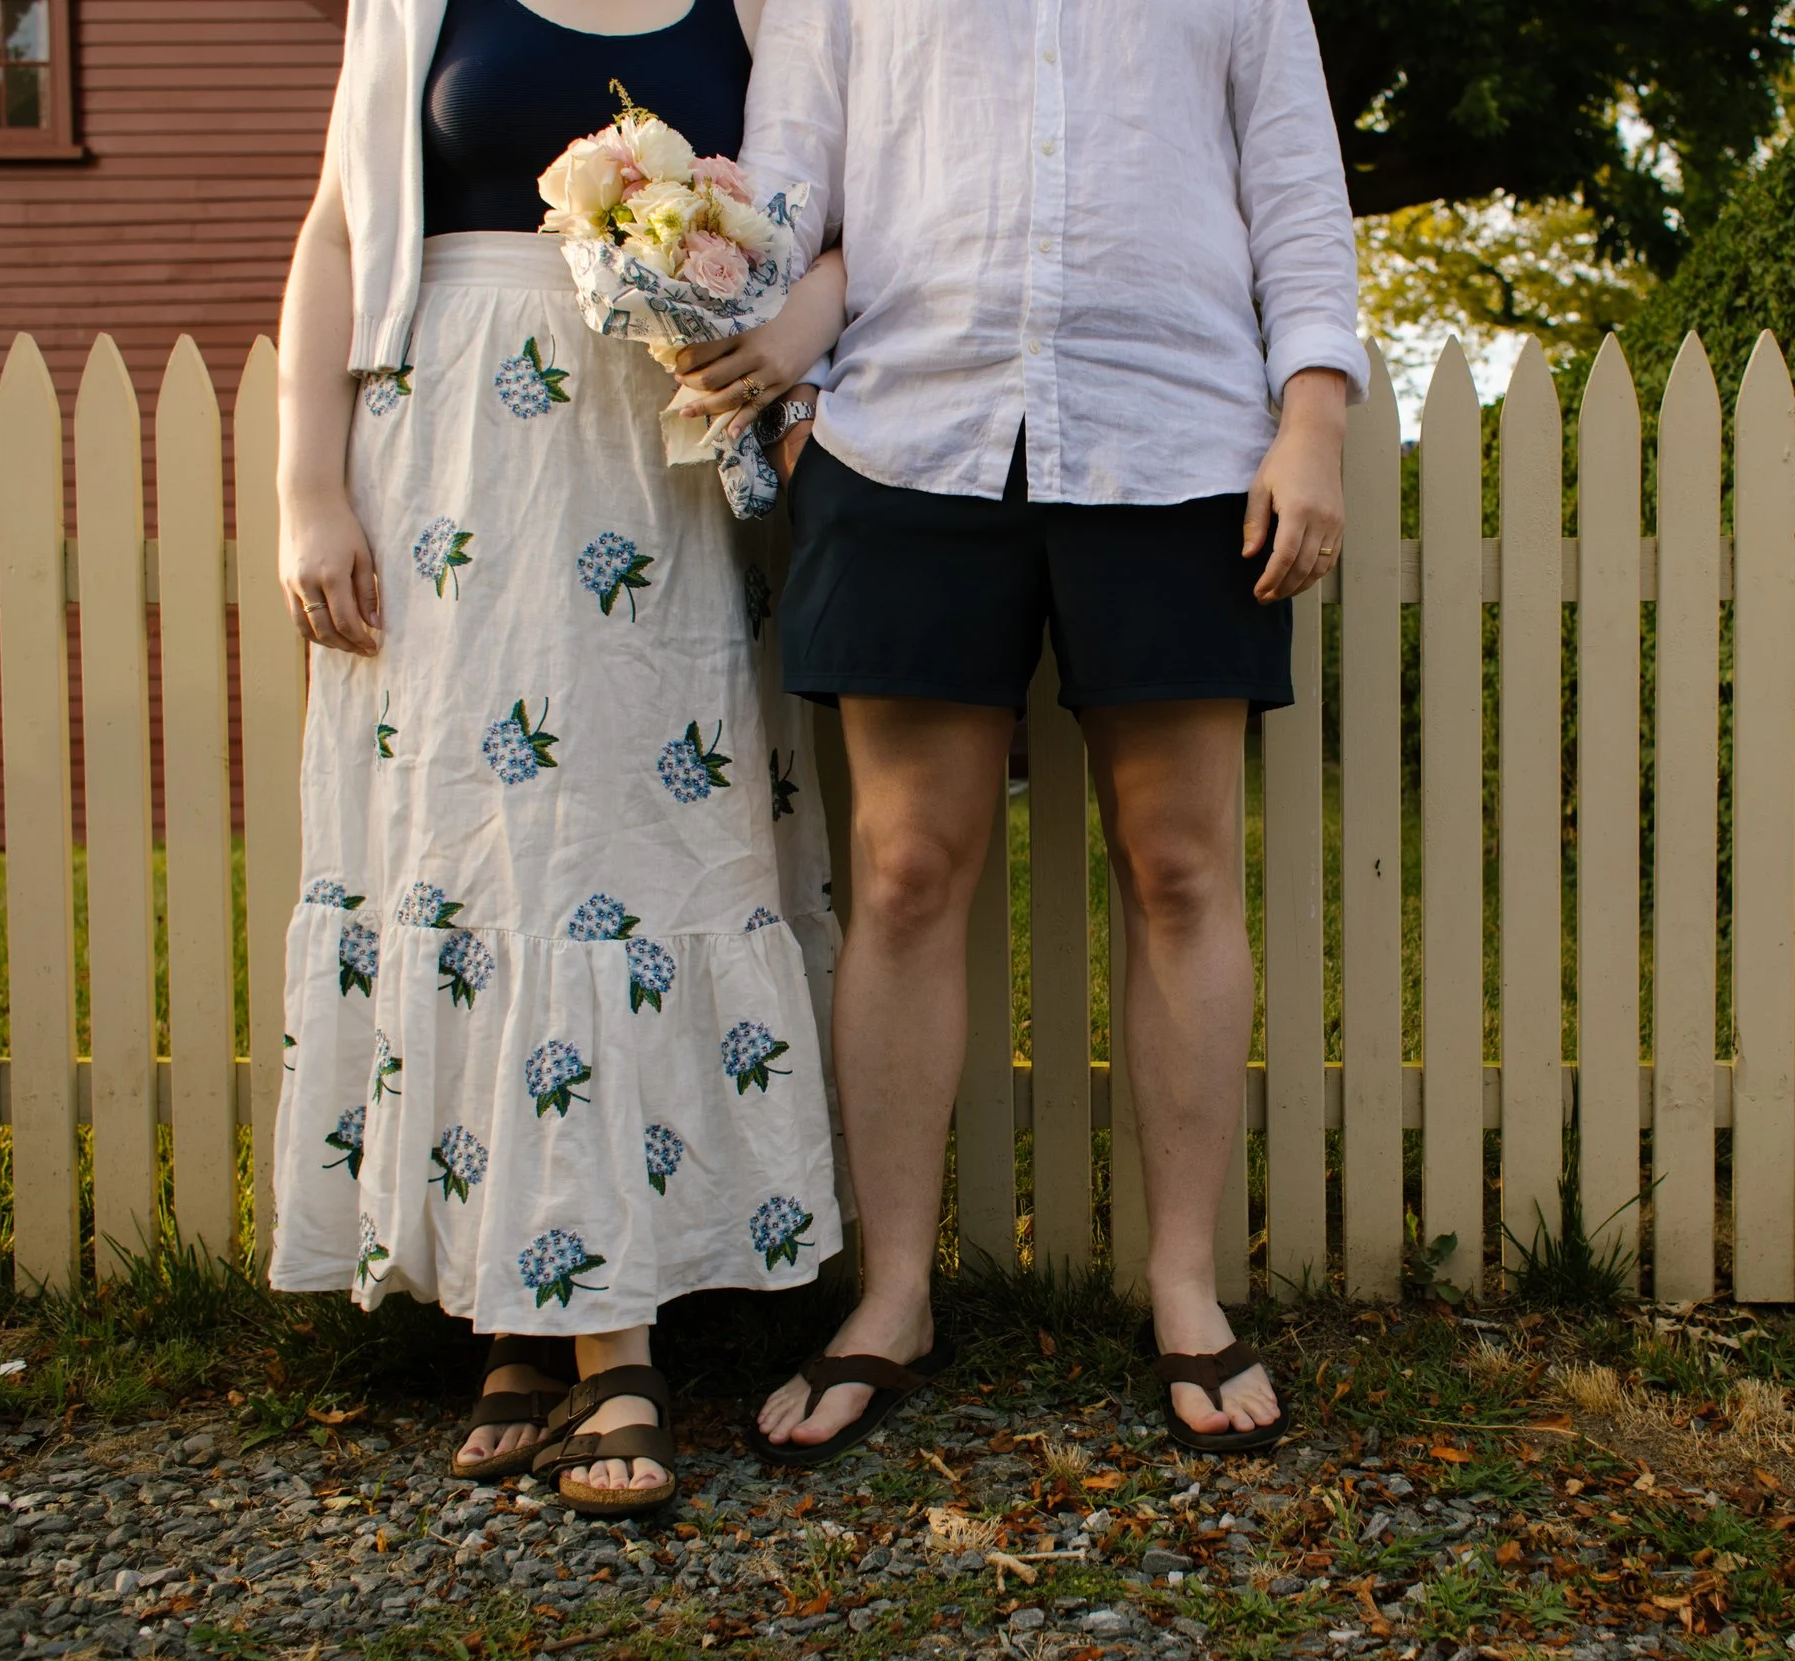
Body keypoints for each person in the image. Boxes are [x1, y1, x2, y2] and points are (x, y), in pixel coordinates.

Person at [681, 0, 1365, 1460]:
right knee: (907, 870)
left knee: (1179, 870)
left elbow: (1298, 184)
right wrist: (794, 381)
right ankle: (895, 1293)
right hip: (908, 432)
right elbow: (787, 177)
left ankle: (1183, 1283)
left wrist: (1313, 413)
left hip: (1179, 434)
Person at [267, 0, 849, 1516]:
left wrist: (789, 318)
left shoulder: (761, 6)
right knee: (482, 847)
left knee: (618, 850)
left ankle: (608, 1330)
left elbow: (850, 208)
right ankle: (523, 1312)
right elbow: (338, 226)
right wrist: (307, 488)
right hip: (457, 456)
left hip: (660, 462)